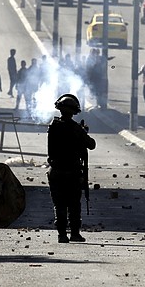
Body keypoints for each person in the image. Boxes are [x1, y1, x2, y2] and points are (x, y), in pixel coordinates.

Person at [47, 94, 96, 243]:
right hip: (72, 173)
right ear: (74, 111)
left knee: (59, 204)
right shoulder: (76, 129)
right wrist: (83, 132)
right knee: (74, 204)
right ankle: (75, 233)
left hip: (56, 171)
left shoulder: (53, 126)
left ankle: (62, 235)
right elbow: (92, 144)